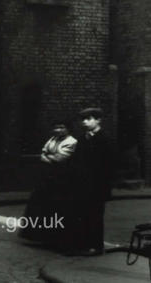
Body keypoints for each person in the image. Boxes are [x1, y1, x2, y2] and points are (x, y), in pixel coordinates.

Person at [68, 107, 116, 255]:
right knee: (81, 214)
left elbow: (109, 165)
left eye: (89, 119)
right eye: (83, 119)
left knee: (95, 215)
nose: (85, 122)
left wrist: (103, 186)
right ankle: (82, 245)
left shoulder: (104, 138)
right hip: (82, 184)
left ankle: (95, 246)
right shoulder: (82, 138)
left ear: (98, 120)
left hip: (97, 186)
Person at [21, 122, 77, 245]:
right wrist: (49, 157)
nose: (58, 130)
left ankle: (54, 237)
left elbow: (61, 158)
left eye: (62, 127)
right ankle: (39, 236)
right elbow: (43, 153)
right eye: (56, 127)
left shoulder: (72, 142)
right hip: (47, 176)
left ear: (68, 129)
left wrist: (48, 157)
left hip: (61, 178)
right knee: (40, 205)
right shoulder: (52, 139)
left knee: (56, 206)